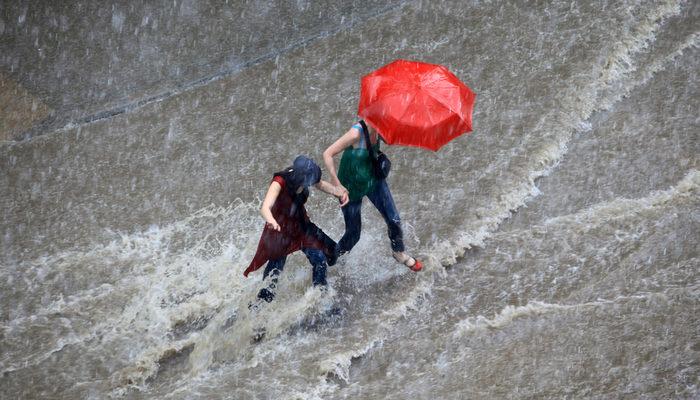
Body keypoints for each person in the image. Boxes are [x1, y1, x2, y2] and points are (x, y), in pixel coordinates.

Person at [244, 155, 349, 304]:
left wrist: (338, 192)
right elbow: (265, 207)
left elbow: (321, 184)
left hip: (301, 227)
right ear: (300, 177)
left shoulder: (305, 177)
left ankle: (320, 295)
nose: (312, 183)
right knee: (273, 275)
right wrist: (271, 221)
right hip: (280, 232)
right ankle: (259, 306)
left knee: (322, 258)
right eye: (310, 180)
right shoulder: (279, 182)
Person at [323, 120, 423, 271]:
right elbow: (327, 154)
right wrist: (336, 184)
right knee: (353, 235)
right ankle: (330, 261)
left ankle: (398, 252)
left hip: (372, 179)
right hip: (350, 187)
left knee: (393, 219)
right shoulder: (356, 133)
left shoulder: (382, 127)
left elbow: (390, 139)